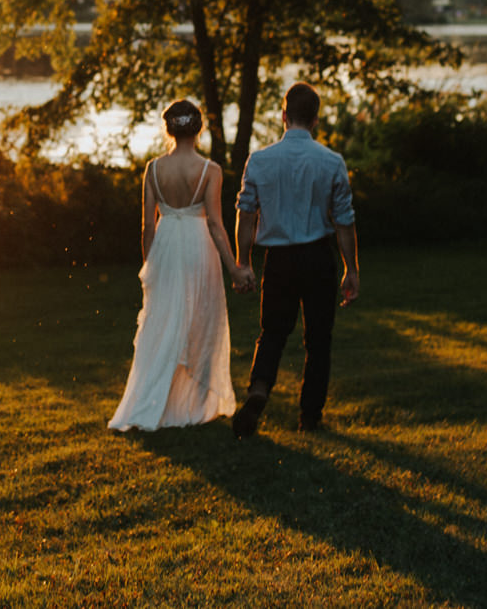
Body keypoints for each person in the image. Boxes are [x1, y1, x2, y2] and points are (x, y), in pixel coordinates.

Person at [108, 100, 255, 432]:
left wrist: (150, 265)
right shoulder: (210, 170)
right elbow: (216, 225)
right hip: (197, 246)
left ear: (169, 129)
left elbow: (147, 225)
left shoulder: (153, 169)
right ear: (199, 128)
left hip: (165, 246)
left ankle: (157, 403)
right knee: (200, 318)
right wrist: (234, 268)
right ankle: (194, 405)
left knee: (161, 323)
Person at [231, 81, 359, 437]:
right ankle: (310, 417)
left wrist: (244, 262)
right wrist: (351, 269)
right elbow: (345, 221)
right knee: (318, 340)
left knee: (272, 332)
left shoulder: (259, 160)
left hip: (279, 261)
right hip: (318, 257)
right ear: (315, 119)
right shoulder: (332, 161)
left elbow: (246, 214)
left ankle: (259, 389)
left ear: (283, 115)